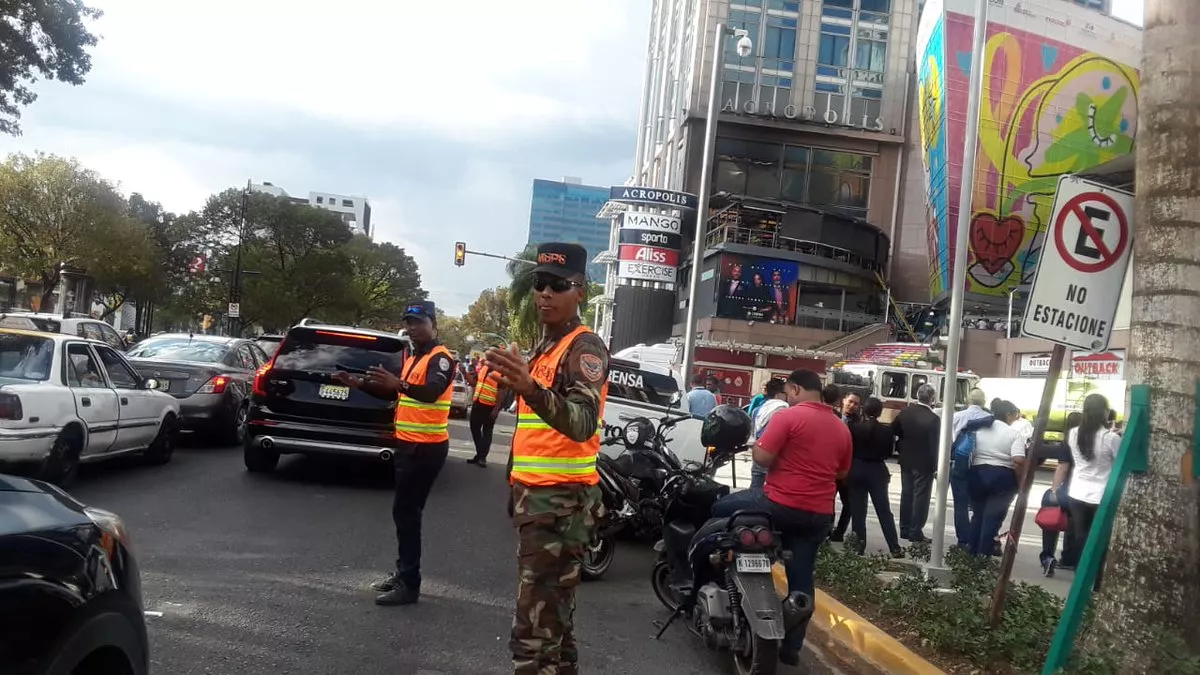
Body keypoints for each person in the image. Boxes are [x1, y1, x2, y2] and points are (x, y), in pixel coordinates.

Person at [485, 242, 610, 675]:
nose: (544, 294)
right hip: (538, 500)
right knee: (555, 621)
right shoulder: (543, 348)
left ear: (580, 292)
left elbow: (582, 422)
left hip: (561, 505)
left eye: (558, 285)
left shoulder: (584, 346)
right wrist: (513, 483)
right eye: (540, 283)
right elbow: (529, 432)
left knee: (534, 632)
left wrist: (529, 389)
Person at [709, 369, 852, 666]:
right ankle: (791, 649)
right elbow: (842, 473)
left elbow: (762, 458)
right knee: (801, 579)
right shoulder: (841, 428)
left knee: (718, 508)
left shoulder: (788, 417)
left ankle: (713, 579)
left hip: (777, 504)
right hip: (818, 514)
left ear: (796, 389)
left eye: (788, 392)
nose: (787, 397)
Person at [335, 301, 455, 606]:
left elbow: (429, 393)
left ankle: (409, 584)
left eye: (418, 322)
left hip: (425, 448)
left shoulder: (441, 359)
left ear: (433, 324)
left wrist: (398, 383)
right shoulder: (416, 357)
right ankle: (404, 573)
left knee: (407, 513)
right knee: (403, 512)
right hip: (408, 445)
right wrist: (358, 383)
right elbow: (392, 392)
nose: (412, 328)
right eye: (408, 323)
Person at [1066, 394, 1120, 590]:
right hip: (1101, 494)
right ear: (1104, 412)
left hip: (1077, 491)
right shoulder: (1110, 438)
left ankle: (1080, 576)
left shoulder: (1073, 433)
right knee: (1100, 539)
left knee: (1081, 536)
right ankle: (1097, 582)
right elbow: (1119, 462)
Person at [965, 399, 1026, 557]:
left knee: (978, 515)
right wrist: (1021, 484)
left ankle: (970, 553)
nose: (1015, 419)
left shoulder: (980, 430)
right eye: (1015, 415)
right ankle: (983, 554)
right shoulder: (1014, 434)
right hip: (1002, 478)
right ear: (1008, 414)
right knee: (992, 519)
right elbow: (1018, 460)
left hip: (977, 474)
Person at [847, 397, 904, 556]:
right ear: (880, 412)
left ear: (864, 410)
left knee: (858, 510)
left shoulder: (854, 428)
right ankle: (894, 546)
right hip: (877, 470)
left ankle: (858, 546)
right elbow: (887, 453)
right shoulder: (887, 431)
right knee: (883, 510)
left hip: (857, 467)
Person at [892, 383, 940, 543]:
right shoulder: (933, 419)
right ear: (932, 399)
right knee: (921, 497)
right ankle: (915, 531)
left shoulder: (905, 412)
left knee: (906, 494)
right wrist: (936, 466)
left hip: (906, 459)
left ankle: (904, 528)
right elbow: (935, 444)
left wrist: (901, 446)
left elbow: (894, 430)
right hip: (924, 463)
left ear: (917, 396)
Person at [1039, 411, 1082, 576]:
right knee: (1078, 523)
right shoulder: (1098, 440)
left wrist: (1054, 491)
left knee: (1050, 511)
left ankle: (1048, 555)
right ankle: (1074, 559)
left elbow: (1063, 468)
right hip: (1088, 495)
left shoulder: (1069, 441)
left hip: (1069, 490)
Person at [950, 388, 993, 548]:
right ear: (983, 402)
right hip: (981, 465)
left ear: (968, 401)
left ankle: (963, 539)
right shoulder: (989, 419)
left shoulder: (957, 416)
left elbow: (950, 441)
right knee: (979, 504)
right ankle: (978, 537)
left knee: (960, 503)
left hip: (960, 463)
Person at [466, 353, 508, 467]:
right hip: (478, 403)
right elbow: (474, 382)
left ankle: (482, 457)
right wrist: (464, 373)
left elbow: (502, 392)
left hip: (490, 406)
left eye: (490, 355)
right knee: (474, 427)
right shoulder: (484, 368)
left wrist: (496, 410)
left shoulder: (501, 372)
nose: (487, 356)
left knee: (487, 431)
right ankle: (480, 454)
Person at [824, 384, 855, 542]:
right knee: (828, 502)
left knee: (848, 503)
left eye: (856, 403)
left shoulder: (858, 422)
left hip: (846, 470)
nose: (852, 406)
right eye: (850, 402)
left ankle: (839, 533)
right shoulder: (833, 417)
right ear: (842, 401)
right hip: (832, 468)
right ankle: (827, 529)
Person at [749, 378, 789, 489]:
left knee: (755, 489)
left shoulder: (757, 410)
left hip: (758, 455)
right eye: (785, 393)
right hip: (775, 459)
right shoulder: (784, 409)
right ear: (778, 394)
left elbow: (753, 432)